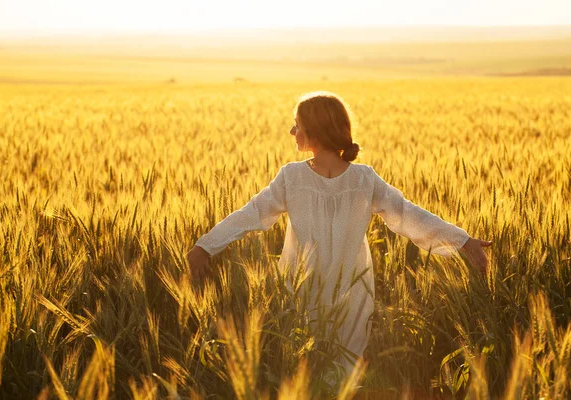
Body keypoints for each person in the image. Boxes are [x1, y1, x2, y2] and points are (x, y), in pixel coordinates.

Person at [187, 91, 492, 383]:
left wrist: (206, 246)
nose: (292, 130)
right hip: (352, 293)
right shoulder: (361, 179)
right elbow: (408, 216)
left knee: (304, 372)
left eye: (298, 124)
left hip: (301, 291)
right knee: (341, 375)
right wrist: (461, 241)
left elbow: (250, 214)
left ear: (315, 130)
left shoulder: (295, 178)